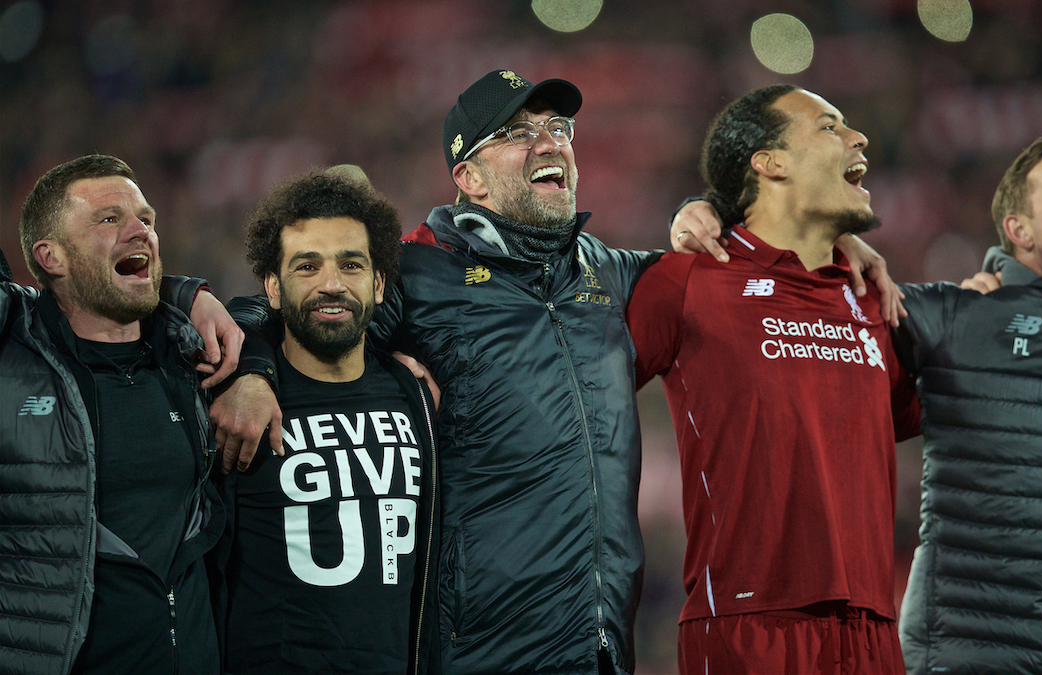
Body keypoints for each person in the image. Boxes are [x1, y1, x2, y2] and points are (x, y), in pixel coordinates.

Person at [218, 71, 903, 675]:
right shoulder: (420, 272)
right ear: (470, 178)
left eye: (557, 127)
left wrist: (813, 231)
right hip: (481, 649)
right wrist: (251, 370)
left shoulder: (610, 272)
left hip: (602, 643)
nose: (550, 143)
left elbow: (752, 241)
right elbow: (285, 310)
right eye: (518, 133)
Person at [627, 85, 923, 674]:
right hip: (748, 630)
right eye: (829, 126)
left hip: (873, 632)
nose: (857, 137)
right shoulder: (687, 282)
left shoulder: (874, 299)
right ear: (770, 162)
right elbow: (574, 387)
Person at [0, 154, 242, 674]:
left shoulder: (188, 358)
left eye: (147, 220)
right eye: (109, 219)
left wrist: (256, 371)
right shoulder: (12, 360)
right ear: (51, 256)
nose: (141, 232)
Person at [215, 170, 439, 674]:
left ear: (379, 283)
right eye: (307, 266)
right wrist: (247, 373)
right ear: (272, 288)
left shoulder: (416, 395)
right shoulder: (237, 400)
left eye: (351, 264)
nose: (331, 284)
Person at [895, 130, 1042, 675]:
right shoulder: (959, 315)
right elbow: (804, 295)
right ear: (1017, 229)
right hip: (967, 653)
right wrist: (703, 212)